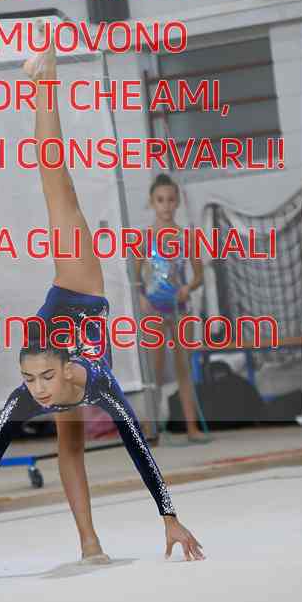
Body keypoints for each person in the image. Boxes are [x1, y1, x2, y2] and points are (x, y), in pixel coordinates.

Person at [0, 26, 204, 562]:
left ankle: (46, 78)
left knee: (56, 185)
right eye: (30, 380)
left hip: (78, 286)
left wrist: (169, 517)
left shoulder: (96, 381)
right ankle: (89, 543)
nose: (38, 391)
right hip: (59, 325)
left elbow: (137, 447)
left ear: (64, 368)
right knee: (68, 446)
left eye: (43, 380)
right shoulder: (42, 387)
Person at [138, 174, 207, 442]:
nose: (166, 205)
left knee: (183, 368)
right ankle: (151, 427)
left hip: (180, 308)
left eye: (170, 200)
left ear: (177, 202)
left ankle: (191, 427)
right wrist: (142, 297)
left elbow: (199, 275)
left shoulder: (186, 237)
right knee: (155, 369)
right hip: (155, 308)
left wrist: (188, 287)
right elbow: (134, 277)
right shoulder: (145, 238)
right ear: (152, 202)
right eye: (160, 200)